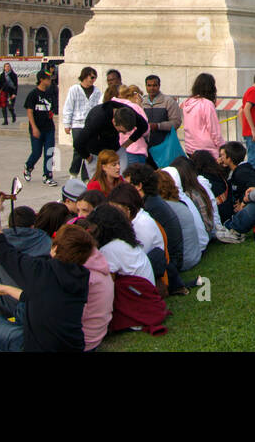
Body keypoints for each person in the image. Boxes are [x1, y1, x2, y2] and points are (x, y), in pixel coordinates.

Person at [0, 195, 111, 353]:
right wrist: (6, 289)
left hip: (35, 347)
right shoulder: (82, 276)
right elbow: (41, 297)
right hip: (74, 347)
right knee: (23, 306)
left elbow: (0, 247)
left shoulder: (40, 271)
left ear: (54, 249)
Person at [84, 203, 167, 336]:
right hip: (147, 300)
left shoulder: (110, 249)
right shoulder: (127, 242)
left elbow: (106, 287)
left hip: (137, 307)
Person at [125, 164, 192, 294]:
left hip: (172, 264)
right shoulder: (153, 201)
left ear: (138, 186)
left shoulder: (149, 208)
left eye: (128, 184)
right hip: (174, 259)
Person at [62, 67, 102, 178]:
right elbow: (68, 107)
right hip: (77, 124)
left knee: (89, 150)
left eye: (95, 78)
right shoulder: (74, 89)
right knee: (78, 148)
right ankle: (73, 173)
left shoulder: (97, 92)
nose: (93, 80)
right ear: (85, 76)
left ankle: (86, 176)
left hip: (90, 124)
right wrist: (67, 124)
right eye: (91, 77)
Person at [22, 71, 57, 186]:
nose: (50, 81)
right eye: (48, 79)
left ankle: (47, 175)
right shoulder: (33, 94)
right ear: (41, 79)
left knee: (49, 152)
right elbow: (29, 111)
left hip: (49, 128)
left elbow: (52, 109)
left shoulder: (50, 93)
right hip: (37, 128)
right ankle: (28, 166)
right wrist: (34, 128)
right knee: (37, 152)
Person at [216, 142, 255, 224]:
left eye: (223, 155)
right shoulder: (237, 170)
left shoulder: (242, 172)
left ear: (229, 158)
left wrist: (242, 202)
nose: (220, 158)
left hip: (251, 209)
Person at [141, 75, 182, 167]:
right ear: (146, 86)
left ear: (159, 86)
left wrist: (158, 126)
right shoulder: (142, 103)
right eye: (149, 85)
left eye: (154, 85)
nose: (152, 88)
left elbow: (176, 122)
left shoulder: (169, 102)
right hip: (146, 147)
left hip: (165, 147)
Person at [180, 73, 223, 159]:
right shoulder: (207, 104)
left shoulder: (187, 103)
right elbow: (214, 130)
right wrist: (222, 146)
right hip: (207, 149)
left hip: (190, 147)